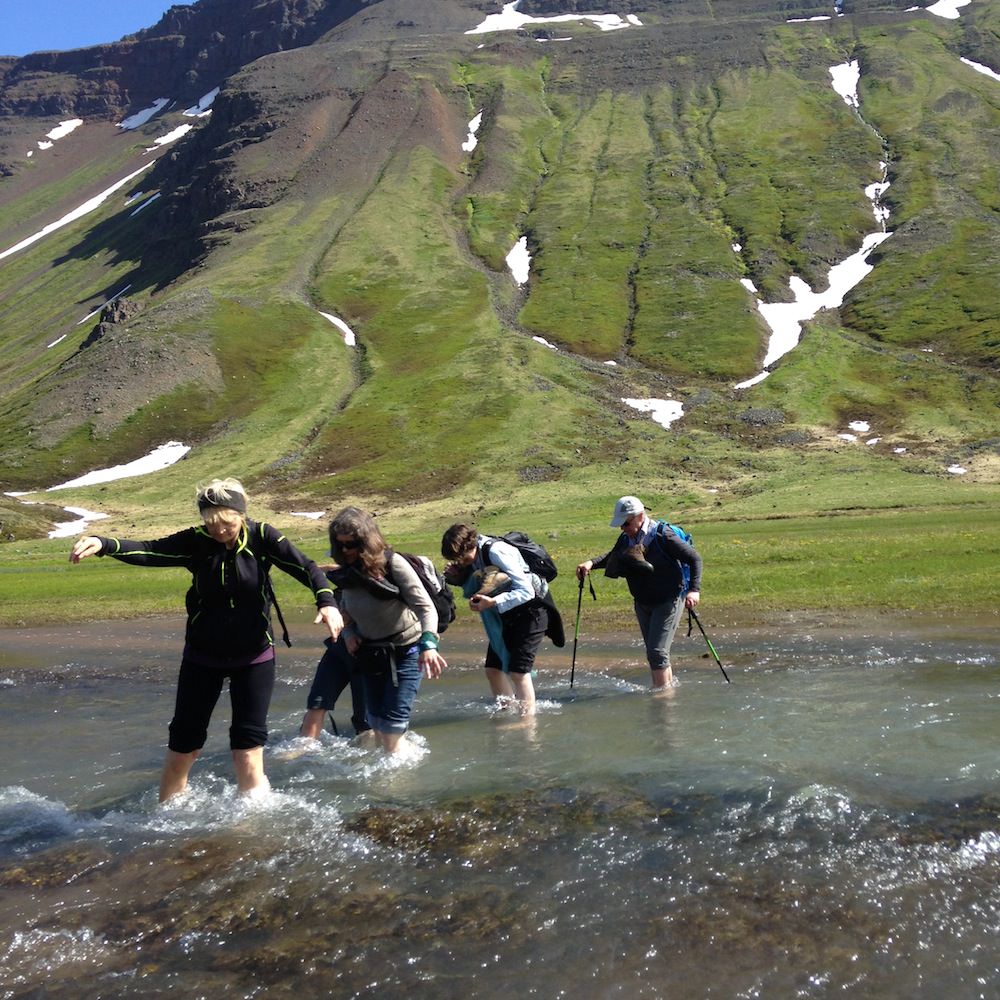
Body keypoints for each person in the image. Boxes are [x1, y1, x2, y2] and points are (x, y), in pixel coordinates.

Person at [69, 478, 343, 801]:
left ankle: (251, 821)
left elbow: (307, 568)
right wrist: (104, 544)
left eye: (227, 523)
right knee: (183, 747)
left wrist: (326, 602)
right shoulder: (196, 541)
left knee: (247, 751)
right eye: (212, 524)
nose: (220, 531)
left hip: (254, 658)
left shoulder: (262, 536)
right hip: (202, 658)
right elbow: (150, 550)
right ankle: (167, 816)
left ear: (241, 515)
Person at [318, 507, 446, 753]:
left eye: (351, 544)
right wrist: (349, 634)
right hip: (369, 653)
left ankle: (400, 775)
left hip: (406, 652)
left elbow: (425, 607)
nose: (345, 550)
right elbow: (345, 609)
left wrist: (429, 644)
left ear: (366, 541)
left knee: (391, 728)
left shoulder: (393, 563)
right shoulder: (346, 570)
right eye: (340, 545)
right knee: (376, 723)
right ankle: (394, 763)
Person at [576, 496, 702, 689]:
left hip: (668, 599)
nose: (623, 528)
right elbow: (613, 556)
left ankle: (661, 697)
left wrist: (694, 591)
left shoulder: (663, 535)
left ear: (640, 516)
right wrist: (591, 563)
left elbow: (694, 558)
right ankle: (667, 689)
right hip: (642, 601)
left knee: (657, 652)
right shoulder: (626, 538)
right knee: (655, 653)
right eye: (621, 524)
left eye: (626, 523)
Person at [441, 524, 564, 716]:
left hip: (533, 610)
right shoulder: (474, 555)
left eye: (461, 558)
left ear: (469, 546)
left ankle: (526, 722)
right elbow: (481, 582)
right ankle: (507, 713)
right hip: (507, 614)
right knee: (493, 670)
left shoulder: (496, 551)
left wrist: (493, 602)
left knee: (519, 672)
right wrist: (458, 578)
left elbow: (527, 591)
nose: (460, 562)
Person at [300, 634, 370, 739]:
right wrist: (347, 633)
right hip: (340, 646)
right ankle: (304, 745)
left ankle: (368, 746)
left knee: (365, 723)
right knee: (316, 704)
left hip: (371, 652)